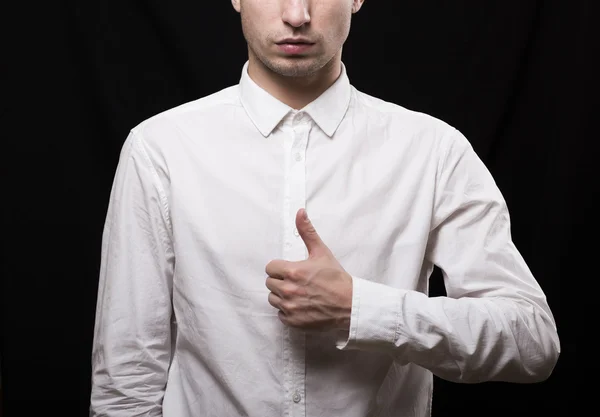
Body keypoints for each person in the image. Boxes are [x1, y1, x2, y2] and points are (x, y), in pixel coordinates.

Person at [89, 0, 560, 416]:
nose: (297, 15)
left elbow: (532, 342)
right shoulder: (161, 149)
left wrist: (362, 308)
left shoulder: (434, 152)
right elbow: (126, 379)